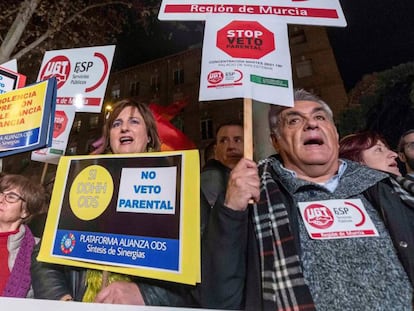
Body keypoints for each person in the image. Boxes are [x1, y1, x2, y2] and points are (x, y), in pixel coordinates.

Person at [200, 89, 414, 310]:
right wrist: (231, 212)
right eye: (294, 120)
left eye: (320, 117)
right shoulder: (252, 199)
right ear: (276, 141)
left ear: (335, 134)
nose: (312, 124)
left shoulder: (388, 189)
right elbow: (218, 294)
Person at [31, 99, 194, 306]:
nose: (124, 127)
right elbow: (43, 256)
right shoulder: (83, 180)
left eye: (134, 122)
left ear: (150, 136)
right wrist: (62, 299)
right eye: (116, 124)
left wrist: (146, 295)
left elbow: (198, 271)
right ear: (110, 138)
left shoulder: (177, 184)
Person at [0, 173, 47, 298]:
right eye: (0, 194)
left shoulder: (38, 250)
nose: (1, 200)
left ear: (25, 211)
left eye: (11, 197)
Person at [201, 120, 243, 207]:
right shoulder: (211, 180)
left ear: (251, 147)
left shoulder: (263, 176)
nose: (231, 146)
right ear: (215, 151)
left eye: (237, 140)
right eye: (224, 141)